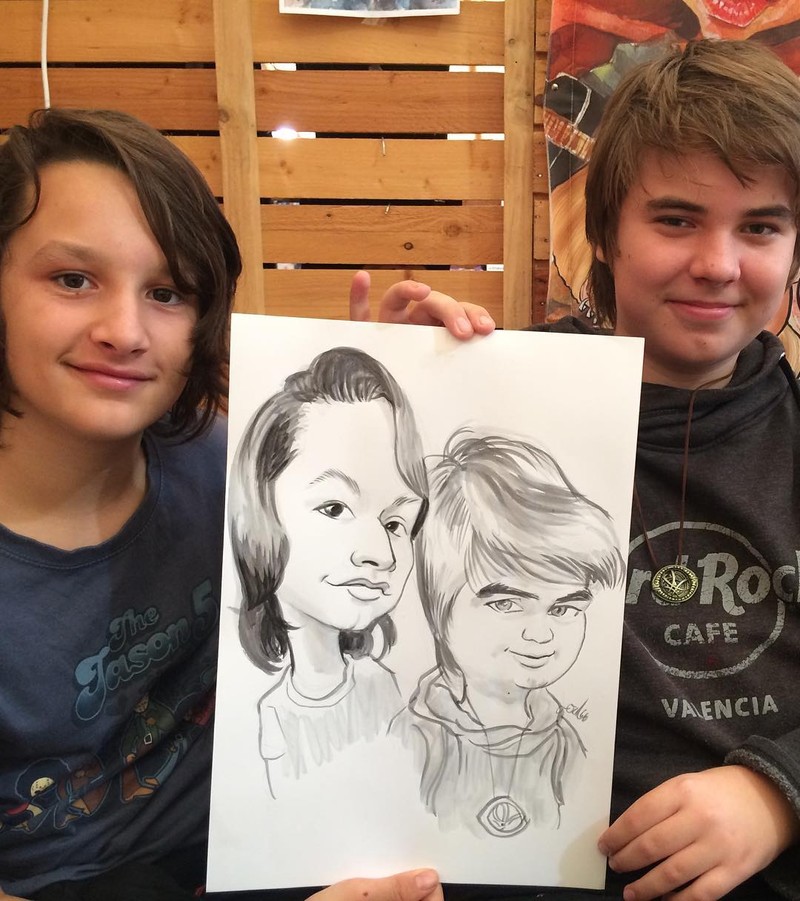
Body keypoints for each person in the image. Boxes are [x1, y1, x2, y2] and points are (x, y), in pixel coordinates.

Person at [353, 37, 800, 901]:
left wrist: (777, 793)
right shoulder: (498, 405)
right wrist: (384, 414)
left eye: (760, 227)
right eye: (676, 220)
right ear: (604, 233)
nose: (718, 264)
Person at [0, 107, 446, 901]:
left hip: (263, 841)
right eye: (72, 279)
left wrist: (372, 409)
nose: (124, 330)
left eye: (166, 292)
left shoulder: (222, 466)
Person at [390, 430, 624, 838]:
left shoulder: (567, 745)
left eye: (564, 609)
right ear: (437, 608)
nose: (540, 634)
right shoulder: (409, 739)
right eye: (506, 604)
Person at [228, 346, 427, 792]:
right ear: (259, 512)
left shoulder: (387, 688)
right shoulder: (270, 713)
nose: (382, 554)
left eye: (396, 523)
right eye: (335, 508)